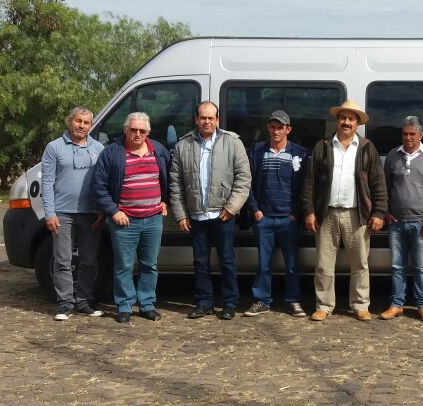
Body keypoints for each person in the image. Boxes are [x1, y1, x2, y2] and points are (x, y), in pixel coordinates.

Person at [301, 99, 387, 322]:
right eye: (343, 118)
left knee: (360, 264)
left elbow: (378, 183)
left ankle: (360, 305)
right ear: (337, 121)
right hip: (326, 213)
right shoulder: (323, 146)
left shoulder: (367, 148)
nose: (346, 122)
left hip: (357, 215)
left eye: (351, 119)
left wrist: (379, 213)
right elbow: (310, 182)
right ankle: (324, 305)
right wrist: (309, 211)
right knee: (323, 264)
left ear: (358, 123)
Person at [169, 101, 251, 321]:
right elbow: (175, 183)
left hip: (223, 213)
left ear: (217, 120)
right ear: (196, 119)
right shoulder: (183, 145)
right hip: (196, 214)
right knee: (200, 262)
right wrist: (180, 213)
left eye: (211, 118)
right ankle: (204, 303)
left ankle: (230, 303)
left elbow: (244, 178)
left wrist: (232, 207)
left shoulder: (232, 142)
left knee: (227, 260)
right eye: (203, 117)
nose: (207, 121)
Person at [92, 112, 170, 324]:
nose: (137, 134)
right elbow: (98, 186)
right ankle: (124, 306)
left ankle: (147, 305)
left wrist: (165, 200)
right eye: (133, 129)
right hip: (124, 220)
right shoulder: (112, 152)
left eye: (142, 130)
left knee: (150, 265)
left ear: (148, 132)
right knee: (124, 266)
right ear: (125, 129)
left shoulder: (158, 150)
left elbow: (170, 178)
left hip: (153, 218)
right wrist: (113, 211)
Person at [40, 106, 105, 320]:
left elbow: (103, 181)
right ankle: (65, 304)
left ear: (91, 126)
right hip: (62, 213)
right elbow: (47, 182)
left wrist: (101, 209)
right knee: (62, 261)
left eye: (86, 123)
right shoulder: (54, 147)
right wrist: (50, 212)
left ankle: (84, 302)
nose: (81, 126)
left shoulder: (98, 148)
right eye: (78, 121)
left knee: (89, 260)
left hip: (90, 213)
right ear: (70, 121)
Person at [244, 110, 308, 318]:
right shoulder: (258, 151)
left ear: (288, 129)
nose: (276, 131)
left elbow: (305, 187)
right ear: (268, 128)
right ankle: (261, 300)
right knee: (263, 264)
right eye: (273, 127)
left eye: (280, 127)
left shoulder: (299, 153)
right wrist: (255, 209)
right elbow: (247, 183)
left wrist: (295, 213)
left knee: (292, 264)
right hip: (264, 218)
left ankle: (293, 300)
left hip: (289, 219)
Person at [379, 116, 423, 322]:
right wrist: (386, 211)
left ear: (420, 135)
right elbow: (384, 187)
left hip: (420, 222)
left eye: (412, 134)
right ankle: (397, 304)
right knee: (397, 266)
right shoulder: (393, 155)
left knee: (420, 267)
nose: (408, 138)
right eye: (405, 134)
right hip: (396, 222)